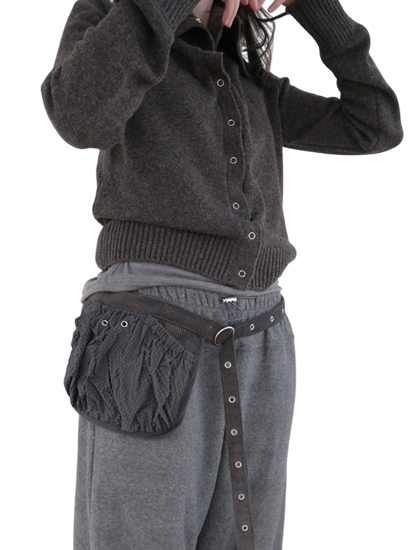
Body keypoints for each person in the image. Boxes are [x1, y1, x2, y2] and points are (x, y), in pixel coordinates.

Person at [40, 0, 403, 549]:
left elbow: (376, 123)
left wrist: (314, 8)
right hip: (150, 338)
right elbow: (77, 115)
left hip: (262, 340)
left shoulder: (247, 81)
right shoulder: (112, 13)